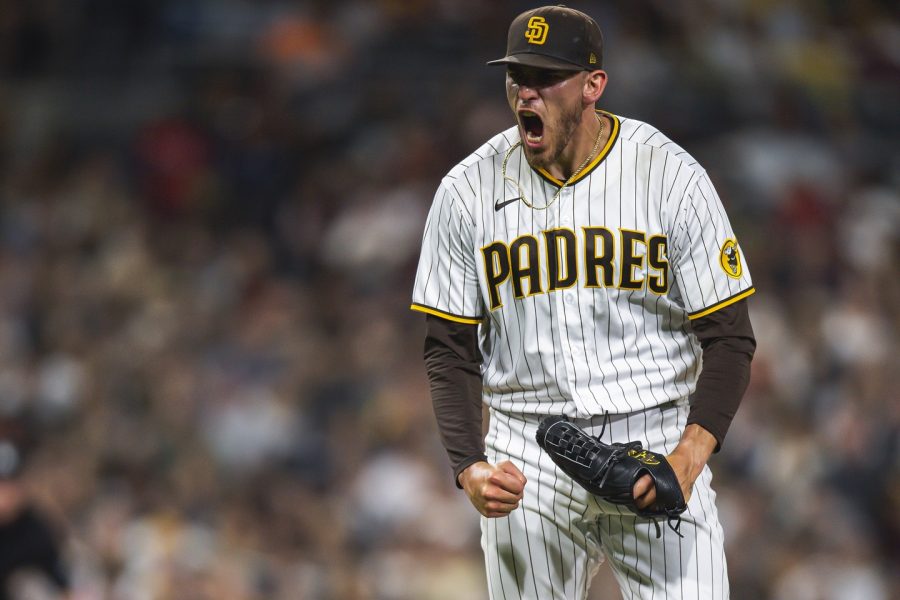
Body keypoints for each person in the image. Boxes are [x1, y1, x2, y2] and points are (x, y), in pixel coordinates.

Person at [410, 5, 756, 599]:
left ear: (594, 85)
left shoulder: (668, 174)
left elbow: (730, 336)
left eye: (547, 78)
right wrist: (469, 465)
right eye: (518, 77)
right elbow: (449, 348)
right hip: (529, 456)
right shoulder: (466, 190)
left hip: (653, 438)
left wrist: (689, 456)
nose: (527, 93)